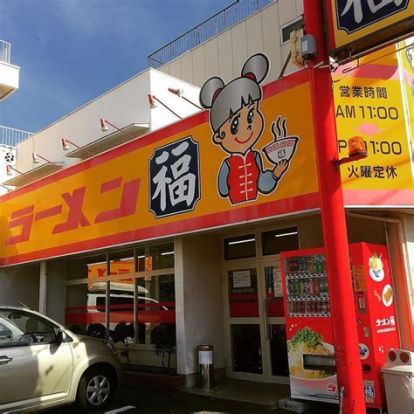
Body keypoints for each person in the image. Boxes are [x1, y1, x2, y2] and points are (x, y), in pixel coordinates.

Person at [200, 53, 290, 205]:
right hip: (234, 207)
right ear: (219, 136)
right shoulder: (227, 164)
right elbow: (222, 190)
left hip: (256, 204)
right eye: (234, 126)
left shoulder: (255, 156)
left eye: (250, 116)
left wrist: (275, 174)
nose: (247, 127)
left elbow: (261, 183)